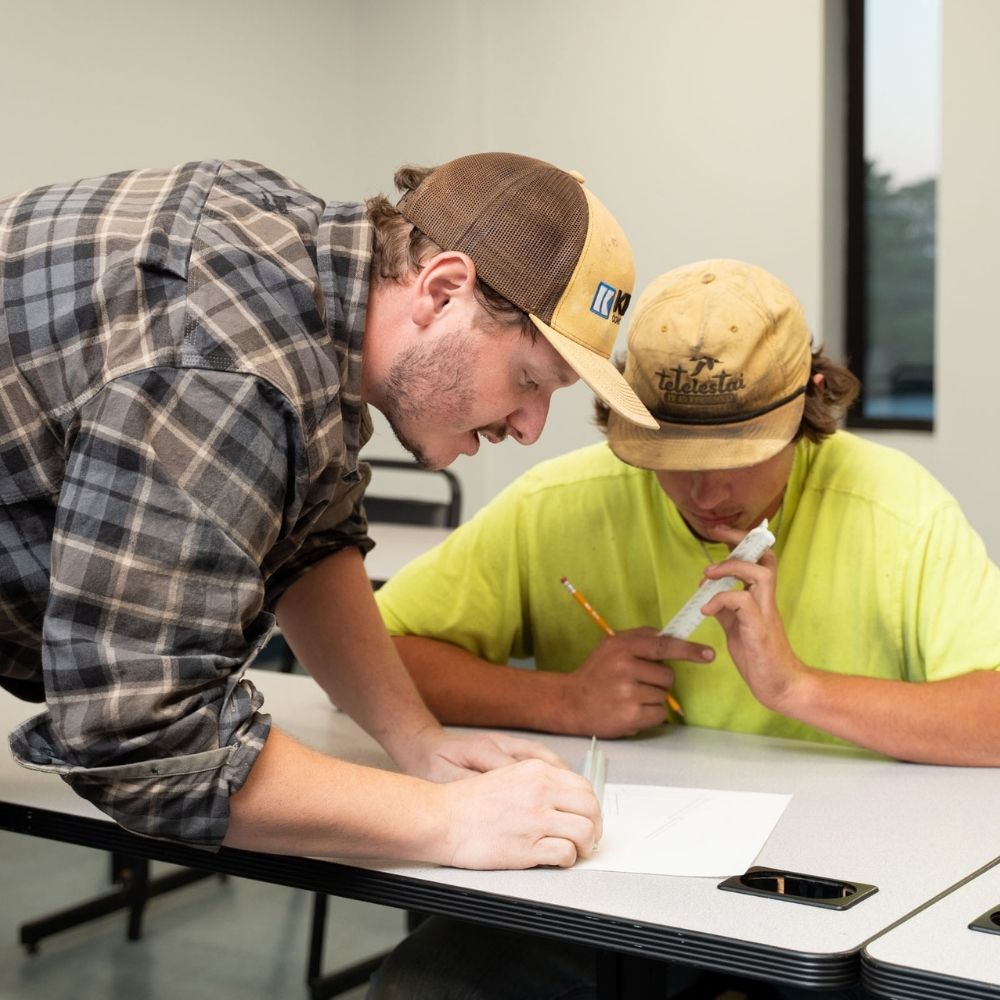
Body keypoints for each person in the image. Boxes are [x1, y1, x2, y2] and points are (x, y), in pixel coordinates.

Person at [1, 152, 657, 869]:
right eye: (529, 380)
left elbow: (312, 538)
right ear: (441, 292)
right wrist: (447, 820)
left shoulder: (303, 270)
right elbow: (143, 735)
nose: (530, 426)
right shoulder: (228, 370)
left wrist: (418, 740)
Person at [368, 258, 1000, 998]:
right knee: (423, 990)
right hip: (601, 882)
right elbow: (378, 659)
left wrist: (799, 689)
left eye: (738, 457)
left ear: (808, 409)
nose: (707, 492)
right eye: (671, 458)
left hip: (832, 899)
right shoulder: (562, 500)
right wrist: (562, 702)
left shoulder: (897, 508)